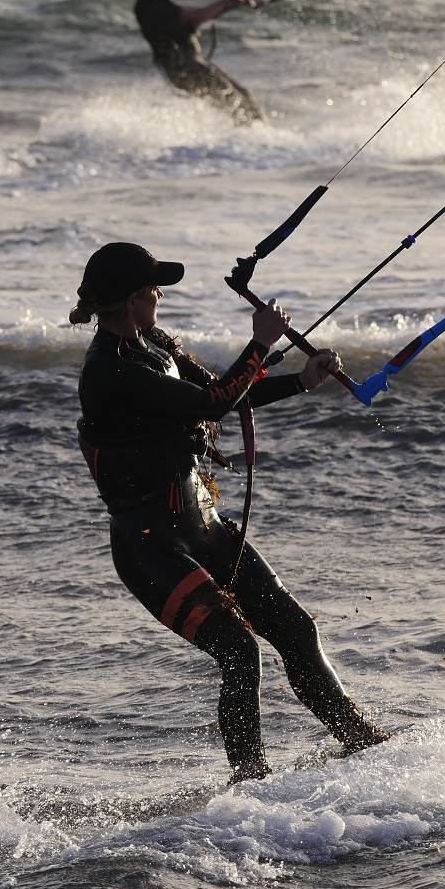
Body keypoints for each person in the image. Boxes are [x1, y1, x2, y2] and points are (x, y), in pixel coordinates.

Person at [70, 241, 389, 783]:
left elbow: (221, 392)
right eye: (152, 286)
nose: (160, 293)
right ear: (128, 299)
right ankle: (251, 782)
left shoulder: (155, 344)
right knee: (241, 652)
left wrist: (300, 381)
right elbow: (213, 404)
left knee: (295, 629)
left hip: (205, 526)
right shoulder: (108, 372)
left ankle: (363, 741)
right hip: (150, 546)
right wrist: (260, 343)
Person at [132, 0, 264, 125]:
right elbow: (192, 18)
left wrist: (227, 5)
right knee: (236, 104)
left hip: (183, 68)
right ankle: (258, 141)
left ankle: (255, 140)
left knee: (241, 97)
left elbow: (191, 19)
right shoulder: (152, 5)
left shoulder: (149, 4)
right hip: (188, 68)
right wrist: (224, 4)